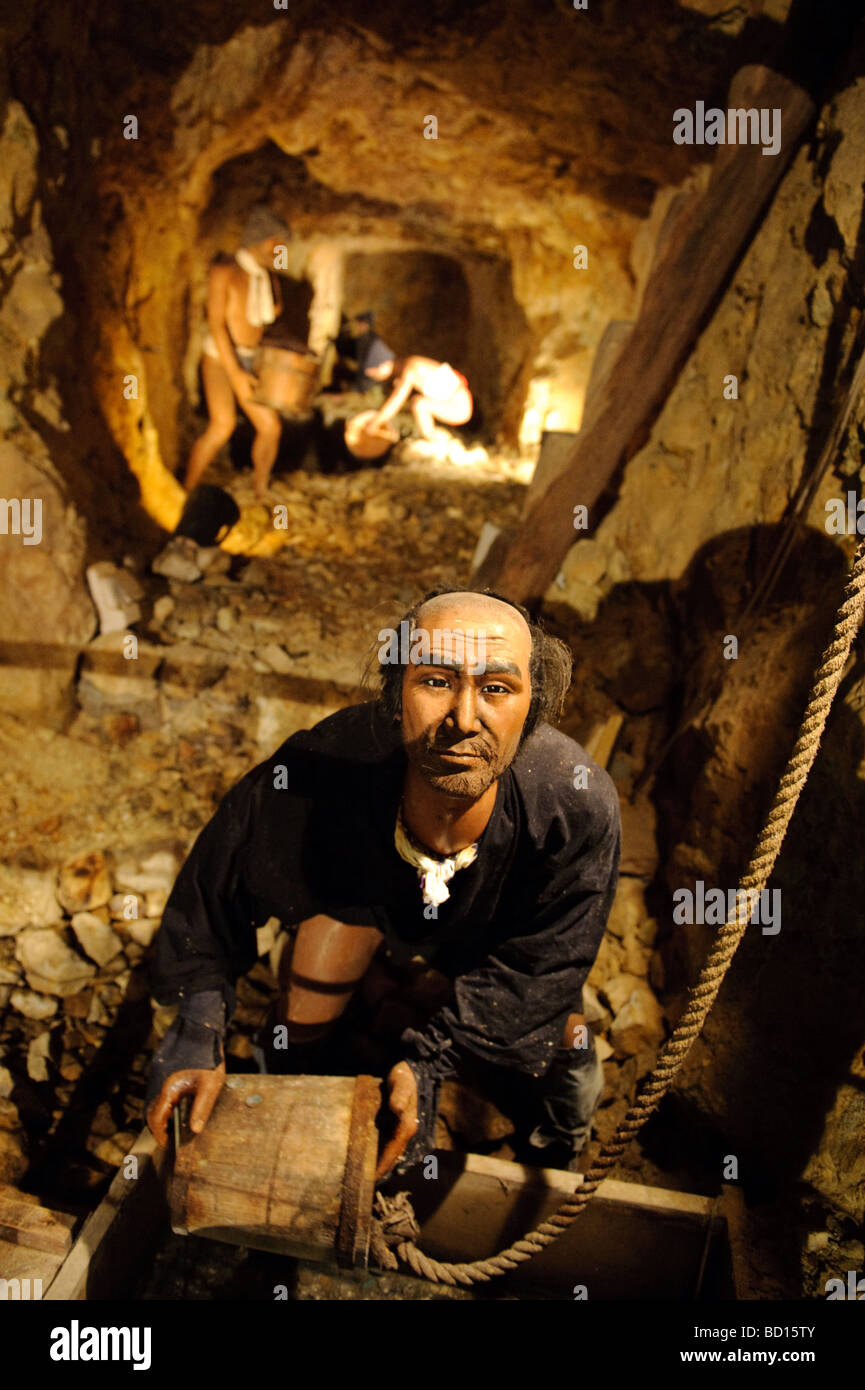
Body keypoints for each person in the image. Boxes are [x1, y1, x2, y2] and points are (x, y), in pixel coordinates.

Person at [145, 589, 620, 1178]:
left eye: (497, 689)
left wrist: (428, 1064)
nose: (465, 719)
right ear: (396, 697)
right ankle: (289, 1103)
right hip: (370, 899)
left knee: (570, 1051)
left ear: (532, 711)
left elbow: (546, 965)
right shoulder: (324, 770)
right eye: (436, 682)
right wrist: (198, 1026)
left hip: (490, 937)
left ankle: (554, 1159)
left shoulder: (570, 803)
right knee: (305, 1005)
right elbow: (212, 895)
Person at [184, 206, 290, 500]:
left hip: (249, 357)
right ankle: (187, 490)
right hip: (220, 358)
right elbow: (217, 324)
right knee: (222, 426)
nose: (279, 248)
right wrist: (236, 372)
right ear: (259, 238)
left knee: (270, 426)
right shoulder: (225, 272)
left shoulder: (266, 279)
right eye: (276, 241)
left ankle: (260, 488)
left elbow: (269, 319)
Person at [366, 354, 473, 443]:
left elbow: (397, 399)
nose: (376, 377)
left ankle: (433, 442)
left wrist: (376, 422)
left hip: (459, 406)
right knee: (419, 402)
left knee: (419, 404)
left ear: (382, 365)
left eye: (374, 374)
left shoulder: (410, 368)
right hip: (454, 402)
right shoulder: (409, 363)